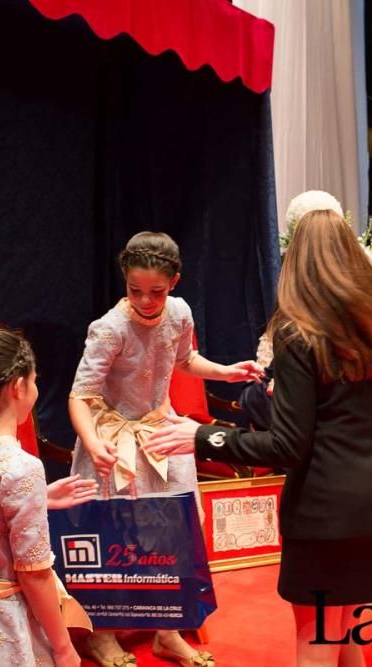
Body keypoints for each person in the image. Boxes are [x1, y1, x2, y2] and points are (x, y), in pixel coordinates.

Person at [141, 191, 372, 667]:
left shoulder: (299, 333)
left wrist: (201, 437)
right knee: (346, 633)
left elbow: (287, 444)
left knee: (316, 646)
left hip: (327, 515)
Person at [69, 231, 263, 667]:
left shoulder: (179, 313)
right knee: (113, 537)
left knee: (173, 534)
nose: (145, 301)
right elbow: (79, 395)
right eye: (135, 291)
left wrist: (227, 373)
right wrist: (92, 442)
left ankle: (167, 630)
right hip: (114, 439)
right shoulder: (110, 328)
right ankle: (102, 634)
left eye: (156, 292)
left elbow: (184, 360)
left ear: (174, 281)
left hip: (162, 431)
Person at [0, 330, 84, 667]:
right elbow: (34, 574)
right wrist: (64, 647)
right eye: (35, 381)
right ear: (18, 387)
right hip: (5, 621)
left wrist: (40, 498)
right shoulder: (22, 468)